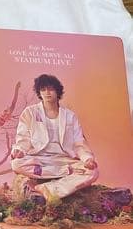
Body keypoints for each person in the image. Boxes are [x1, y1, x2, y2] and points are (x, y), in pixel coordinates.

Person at [10, 74, 98, 206]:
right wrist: (20, 150)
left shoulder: (70, 116)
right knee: (16, 164)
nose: (47, 92)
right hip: (39, 159)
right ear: (39, 92)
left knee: (92, 172)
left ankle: (49, 189)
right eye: (43, 89)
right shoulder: (30, 112)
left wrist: (87, 159)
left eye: (51, 89)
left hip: (64, 159)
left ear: (58, 91)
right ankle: (66, 173)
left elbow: (79, 143)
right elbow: (23, 138)